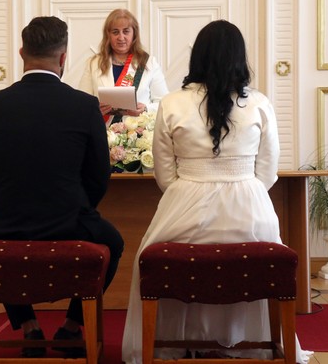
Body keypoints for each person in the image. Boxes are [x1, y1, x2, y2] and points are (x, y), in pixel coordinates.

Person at [121, 20, 312, 363]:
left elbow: (164, 175)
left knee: (147, 261)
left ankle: (171, 343)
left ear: (199, 57)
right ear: (241, 59)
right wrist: (241, 186)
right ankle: (251, 343)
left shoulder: (172, 103)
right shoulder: (260, 103)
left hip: (183, 204)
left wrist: (191, 188)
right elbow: (267, 173)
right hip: (251, 210)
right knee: (253, 262)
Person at [0, 16, 124, 359]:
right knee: (113, 242)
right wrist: (79, 207)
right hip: (70, 219)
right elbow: (99, 175)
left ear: (22, 52)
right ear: (64, 56)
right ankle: (72, 327)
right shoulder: (83, 106)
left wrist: (9, 207)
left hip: (6, 224)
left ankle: (29, 328)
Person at [78, 8, 169, 125]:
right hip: (102, 132)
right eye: (115, 32)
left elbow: (165, 103)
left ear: (134, 33)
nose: (121, 37)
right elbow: (81, 102)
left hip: (137, 136)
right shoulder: (94, 63)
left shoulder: (148, 62)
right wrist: (94, 110)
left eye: (126, 31)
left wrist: (145, 108)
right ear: (108, 35)